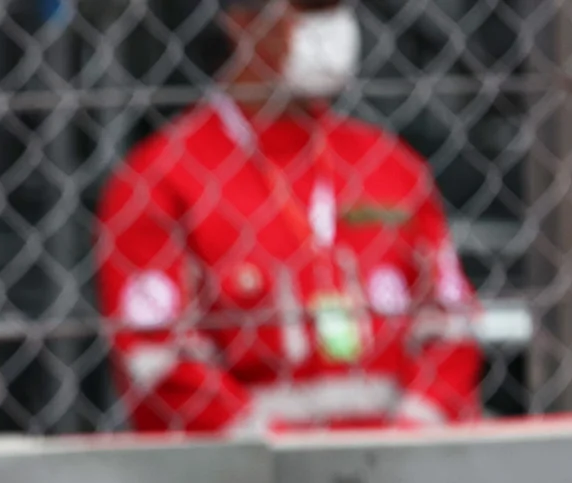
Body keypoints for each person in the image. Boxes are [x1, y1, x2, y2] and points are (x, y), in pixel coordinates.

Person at [98, 0, 477, 435]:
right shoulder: (161, 180)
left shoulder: (390, 166)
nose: (331, 28)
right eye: (309, 9)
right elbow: (159, 361)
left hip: (393, 479)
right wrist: (282, 458)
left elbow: (452, 327)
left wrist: (408, 441)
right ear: (242, 23)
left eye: (337, 9)